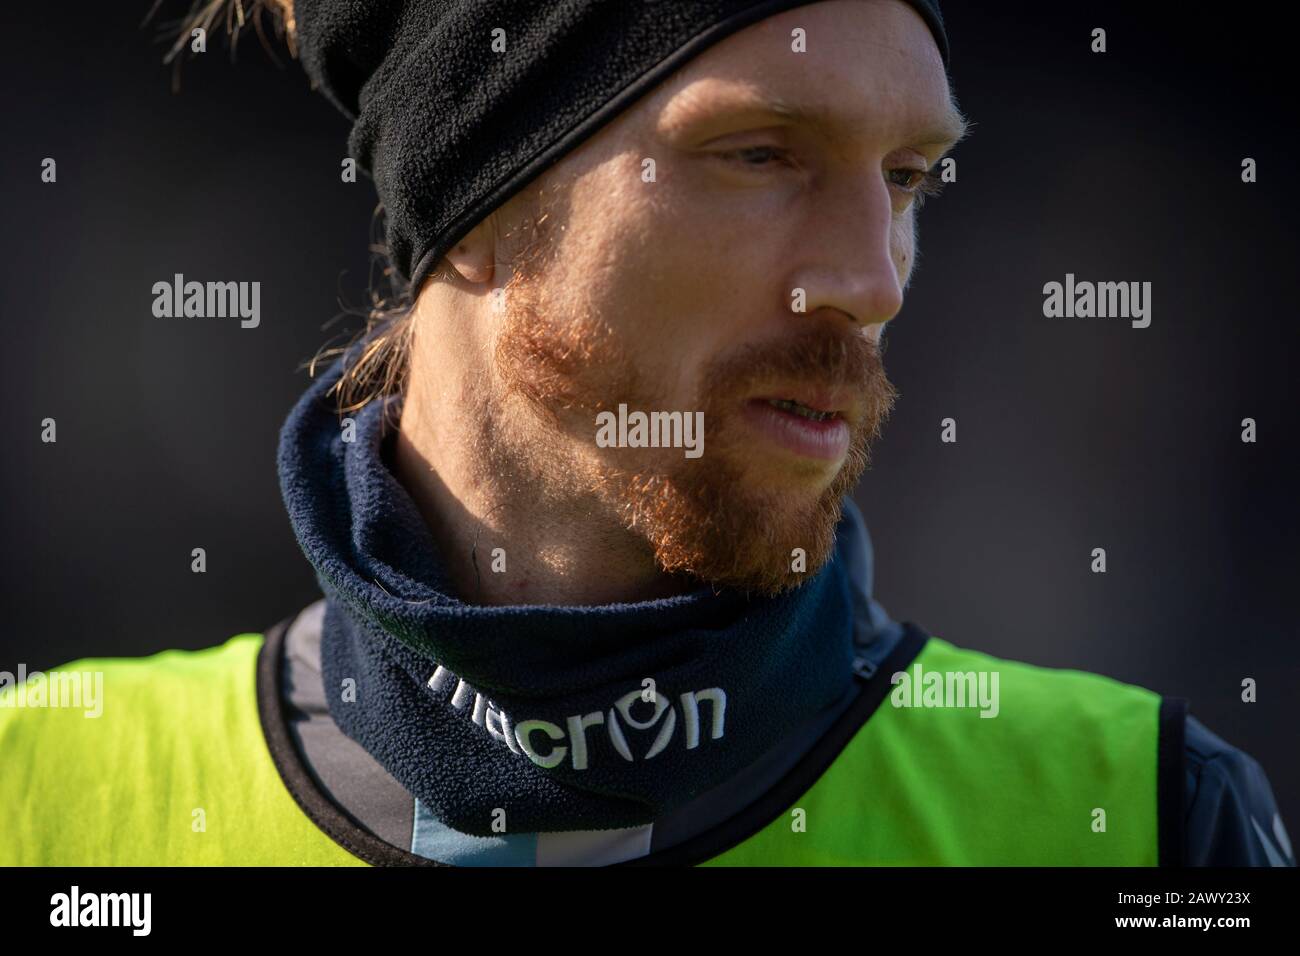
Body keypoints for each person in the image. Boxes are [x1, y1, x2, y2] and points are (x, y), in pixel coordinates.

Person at [0, 0, 1292, 867]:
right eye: (760, 155)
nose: (874, 278)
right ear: (483, 207)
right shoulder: (39, 795)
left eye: (905, 180)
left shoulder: (1147, 815)